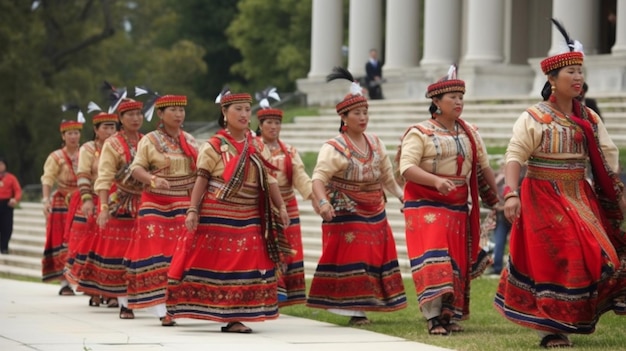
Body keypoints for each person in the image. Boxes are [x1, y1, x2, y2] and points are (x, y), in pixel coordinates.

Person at [494, 19, 626, 349]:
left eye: (581, 72)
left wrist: (616, 191)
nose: (579, 78)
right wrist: (510, 193)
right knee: (560, 254)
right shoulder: (534, 117)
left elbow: (609, 157)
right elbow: (515, 155)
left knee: (600, 254)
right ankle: (551, 328)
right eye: (571, 73)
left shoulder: (589, 119)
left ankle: (574, 316)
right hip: (542, 195)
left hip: (580, 193)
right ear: (552, 80)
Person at [166, 88, 290, 333]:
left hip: (250, 213)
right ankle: (224, 315)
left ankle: (236, 315)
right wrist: (192, 210)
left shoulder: (255, 144)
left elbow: (270, 179)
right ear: (224, 112)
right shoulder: (213, 146)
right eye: (238, 109)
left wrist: (281, 206)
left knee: (247, 262)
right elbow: (201, 179)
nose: (245, 114)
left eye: (247, 109)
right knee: (217, 262)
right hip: (218, 213)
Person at [397, 65, 499, 335]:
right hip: (424, 204)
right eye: (452, 97)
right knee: (435, 258)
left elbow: (483, 169)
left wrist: (499, 197)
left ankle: (448, 314)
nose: (458, 102)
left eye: (461, 97)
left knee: (455, 262)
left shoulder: (470, 133)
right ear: (436, 102)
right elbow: (406, 168)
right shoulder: (419, 133)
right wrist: (436, 181)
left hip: (456, 206)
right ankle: (432, 318)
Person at [306, 67, 407, 326]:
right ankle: (355, 309)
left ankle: (366, 302)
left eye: (365, 113)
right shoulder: (334, 147)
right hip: (346, 208)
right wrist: (323, 202)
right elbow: (318, 178)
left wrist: (400, 196)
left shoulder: (375, 142)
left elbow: (386, 176)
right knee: (356, 253)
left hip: (375, 206)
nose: (363, 118)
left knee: (375, 255)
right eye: (357, 113)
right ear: (344, 117)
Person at [126, 94, 198, 326]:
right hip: (155, 203)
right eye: (173, 111)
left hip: (183, 204)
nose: (178, 115)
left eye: (181, 111)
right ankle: (161, 309)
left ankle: (178, 303)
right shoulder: (149, 140)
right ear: (160, 114)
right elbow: (136, 168)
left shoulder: (190, 140)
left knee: (181, 255)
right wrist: (152, 179)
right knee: (158, 255)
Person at [81, 98, 145, 320]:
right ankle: (124, 302)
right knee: (120, 254)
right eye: (130, 115)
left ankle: (143, 297)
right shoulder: (113, 144)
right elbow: (104, 177)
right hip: (120, 203)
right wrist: (104, 207)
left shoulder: (147, 141)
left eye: (139, 114)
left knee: (144, 253)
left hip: (145, 203)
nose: (135, 118)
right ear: (120, 118)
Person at [255, 87, 314, 306]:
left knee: (289, 248)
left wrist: (316, 198)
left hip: (288, 203)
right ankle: (268, 291)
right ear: (260, 126)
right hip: (262, 205)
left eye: (277, 123)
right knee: (267, 247)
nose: (273, 127)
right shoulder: (254, 148)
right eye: (269, 123)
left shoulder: (289, 150)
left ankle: (285, 293)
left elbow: (300, 176)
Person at [64, 108, 118, 307]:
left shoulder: (120, 145)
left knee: (112, 246)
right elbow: (83, 174)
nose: (110, 130)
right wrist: (87, 199)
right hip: (93, 199)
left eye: (113, 126)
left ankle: (112, 291)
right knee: (90, 245)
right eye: (106, 127)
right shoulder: (87, 148)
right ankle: (93, 289)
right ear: (96, 130)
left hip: (117, 200)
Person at [41, 118, 83, 295]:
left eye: (76, 133)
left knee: (82, 240)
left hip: (82, 200)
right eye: (69, 133)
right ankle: (64, 282)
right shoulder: (56, 156)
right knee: (62, 241)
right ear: (63, 136)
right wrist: (45, 199)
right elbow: (48, 178)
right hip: (62, 202)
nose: (73, 136)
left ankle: (84, 281)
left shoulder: (86, 153)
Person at [0, 157, 22, 254]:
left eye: (1, 164)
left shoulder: (11, 178)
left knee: (7, 227)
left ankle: (4, 247)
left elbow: (18, 190)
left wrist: (15, 199)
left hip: (7, 204)